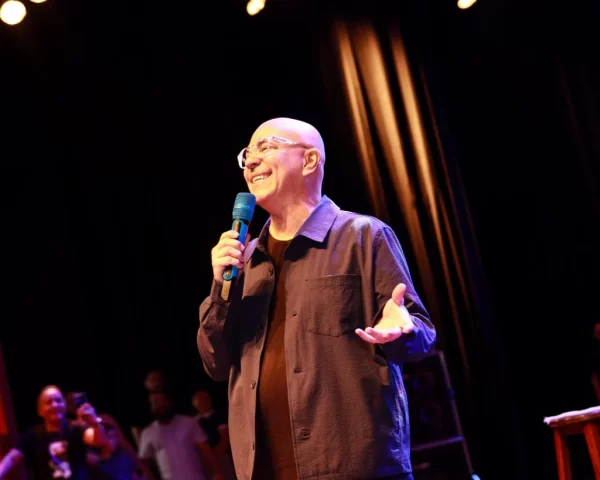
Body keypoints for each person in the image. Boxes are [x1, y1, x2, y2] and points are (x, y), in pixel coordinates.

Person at [197, 117, 437, 480]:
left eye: (266, 147)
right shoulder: (244, 261)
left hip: (353, 469)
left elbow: (419, 332)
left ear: (309, 161)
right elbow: (215, 363)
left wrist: (402, 330)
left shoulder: (363, 237)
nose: (252, 161)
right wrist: (220, 288)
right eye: (247, 154)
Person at [0, 385, 106, 480]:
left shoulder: (77, 427)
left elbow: (98, 441)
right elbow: (12, 458)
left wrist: (95, 423)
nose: (55, 405)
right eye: (49, 402)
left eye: (58, 401)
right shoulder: (32, 435)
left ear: (65, 406)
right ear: (40, 411)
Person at [138, 390, 223, 480]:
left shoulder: (188, 422)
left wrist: (218, 472)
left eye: (162, 402)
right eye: (155, 403)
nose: (160, 406)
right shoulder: (148, 433)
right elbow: (143, 462)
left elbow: (206, 450)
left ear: (169, 402)